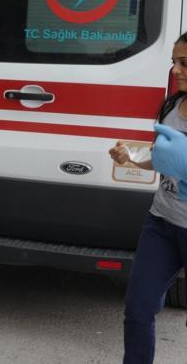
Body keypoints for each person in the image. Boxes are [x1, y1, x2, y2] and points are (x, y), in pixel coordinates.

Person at [112, 31, 187, 364]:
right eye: (174, 62)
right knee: (138, 309)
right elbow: (160, 160)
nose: (176, 70)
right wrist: (130, 158)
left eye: (184, 63)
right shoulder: (171, 106)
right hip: (161, 223)